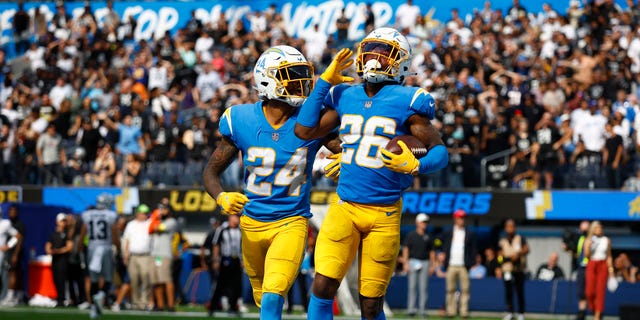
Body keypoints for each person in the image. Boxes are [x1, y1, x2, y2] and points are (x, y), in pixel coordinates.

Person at [294, 27, 448, 320]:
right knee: (323, 285)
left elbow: (440, 152)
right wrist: (324, 82)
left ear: (400, 61)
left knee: (371, 303)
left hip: (384, 213)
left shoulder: (407, 100)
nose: (374, 58)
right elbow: (304, 130)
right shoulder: (345, 95)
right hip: (345, 206)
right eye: (371, 50)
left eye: (384, 52)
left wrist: (417, 165)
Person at [202, 45, 340, 320]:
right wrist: (222, 197)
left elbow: (350, 151)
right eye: (292, 75)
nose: (301, 82)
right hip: (251, 223)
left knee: (273, 293)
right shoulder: (241, 118)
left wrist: (347, 160)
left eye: (303, 75)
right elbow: (210, 172)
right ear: (268, 79)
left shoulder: (310, 121)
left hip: (292, 221)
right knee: (261, 294)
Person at [78, 193, 120, 319]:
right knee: (108, 277)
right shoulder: (111, 215)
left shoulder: (87, 215)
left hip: (91, 248)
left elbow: (82, 234)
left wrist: (79, 248)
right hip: (105, 248)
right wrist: (119, 247)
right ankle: (101, 295)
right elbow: (114, 234)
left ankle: (93, 309)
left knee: (93, 279)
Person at [440, 209, 476, 319]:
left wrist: (471, 263)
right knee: (450, 289)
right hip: (451, 264)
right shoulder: (449, 232)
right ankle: (451, 311)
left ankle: (464, 311)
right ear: (455, 219)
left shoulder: (469, 233)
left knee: (465, 289)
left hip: (464, 265)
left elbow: (473, 249)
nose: (462, 220)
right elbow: (441, 243)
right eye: (460, 218)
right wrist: (442, 254)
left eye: (463, 218)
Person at [208, 215, 243, 315]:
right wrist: (215, 260)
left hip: (236, 259)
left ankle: (233, 308)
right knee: (220, 284)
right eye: (236, 217)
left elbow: (243, 245)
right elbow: (216, 244)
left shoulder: (240, 230)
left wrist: (243, 260)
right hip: (225, 259)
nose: (237, 219)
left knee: (236, 285)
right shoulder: (222, 229)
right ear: (230, 217)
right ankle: (213, 307)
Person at [401, 213, 435, 318]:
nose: (425, 224)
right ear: (417, 223)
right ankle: (411, 310)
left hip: (425, 262)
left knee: (423, 287)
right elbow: (406, 249)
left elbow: (432, 252)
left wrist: (432, 265)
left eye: (426, 222)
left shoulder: (428, 236)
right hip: (413, 262)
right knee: (412, 287)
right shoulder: (411, 235)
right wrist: (405, 263)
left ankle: (423, 310)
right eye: (423, 222)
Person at [148, 202, 178, 312]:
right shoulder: (158, 220)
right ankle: (160, 305)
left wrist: (155, 217)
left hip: (164, 254)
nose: (161, 211)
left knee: (166, 279)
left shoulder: (171, 222)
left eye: (164, 209)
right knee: (156, 281)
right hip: (154, 254)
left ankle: (170, 305)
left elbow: (157, 228)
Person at [121, 204, 152, 310]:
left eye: (145, 213)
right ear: (138, 213)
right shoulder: (131, 224)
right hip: (133, 256)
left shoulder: (150, 223)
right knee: (134, 280)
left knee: (145, 279)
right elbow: (127, 240)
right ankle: (135, 303)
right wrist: (125, 255)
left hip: (145, 256)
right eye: (142, 213)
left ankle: (144, 302)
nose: (144, 215)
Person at [498, 219, 529, 320]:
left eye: (512, 226)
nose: (510, 229)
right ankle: (510, 312)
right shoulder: (502, 241)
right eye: (508, 227)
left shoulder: (520, 238)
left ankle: (521, 313)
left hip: (518, 270)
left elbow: (527, 249)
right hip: (507, 270)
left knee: (520, 292)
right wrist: (503, 259)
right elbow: (499, 256)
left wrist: (518, 254)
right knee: (508, 292)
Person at [584, 221, 614, 320]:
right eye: (596, 228)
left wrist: (611, 271)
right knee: (589, 292)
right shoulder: (588, 240)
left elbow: (609, 256)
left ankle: (597, 316)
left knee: (600, 292)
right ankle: (594, 310)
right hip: (592, 264)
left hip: (603, 265)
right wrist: (589, 246)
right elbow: (587, 256)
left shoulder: (606, 240)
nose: (599, 230)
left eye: (600, 228)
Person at [45, 213, 73, 307]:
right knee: (56, 279)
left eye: (64, 221)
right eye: (62, 221)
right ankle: (59, 298)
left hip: (63, 260)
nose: (63, 223)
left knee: (62, 280)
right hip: (55, 260)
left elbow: (69, 246)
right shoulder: (54, 234)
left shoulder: (67, 234)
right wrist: (50, 251)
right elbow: (48, 245)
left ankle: (64, 298)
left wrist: (59, 251)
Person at [0, 205, 25, 306]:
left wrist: (8, 245)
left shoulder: (5, 223)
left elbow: (18, 236)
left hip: (1, 254)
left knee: (5, 275)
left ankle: (5, 296)